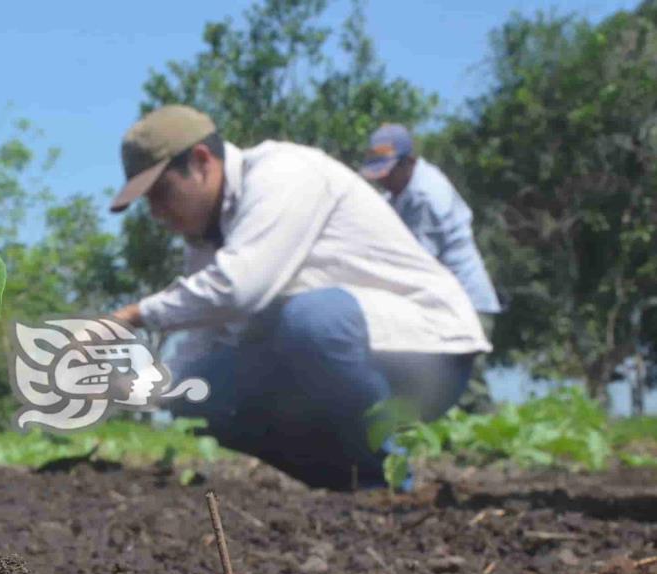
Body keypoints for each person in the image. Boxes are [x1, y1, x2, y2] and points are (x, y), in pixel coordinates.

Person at [108, 105, 491, 490]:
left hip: (427, 357)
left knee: (311, 320)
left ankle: (385, 482)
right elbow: (203, 342)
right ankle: (344, 484)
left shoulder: (283, 173)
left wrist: (129, 316)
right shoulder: (206, 241)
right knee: (196, 389)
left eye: (161, 193)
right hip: (342, 359)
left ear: (202, 161)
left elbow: (240, 288)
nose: (156, 213)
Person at [360, 123, 501, 412]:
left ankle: (496, 444)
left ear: (408, 162)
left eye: (388, 172)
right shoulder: (399, 193)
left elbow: (417, 262)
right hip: (443, 301)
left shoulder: (426, 195)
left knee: (469, 386)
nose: (383, 181)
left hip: (465, 302)